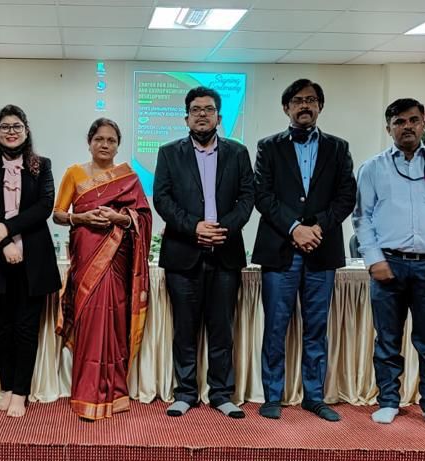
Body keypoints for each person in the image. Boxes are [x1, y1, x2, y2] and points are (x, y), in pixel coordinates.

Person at [352, 98, 425, 430]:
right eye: (399, 122)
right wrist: (373, 259)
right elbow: (362, 218)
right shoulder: (373, 168)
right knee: (387, 339)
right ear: (388, 128)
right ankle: (389, 401)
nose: (407, 127)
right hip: (388, 264)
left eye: (413, 120)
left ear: (423, 124)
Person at [252, 79, 356, 422]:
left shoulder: (338, 148)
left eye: (311, 100)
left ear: (320, 106)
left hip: (322, 249)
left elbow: (346, 197)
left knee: (316, 327)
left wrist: (317, 227)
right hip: (280, 249)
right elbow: (263, 196)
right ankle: (273, 395)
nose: (304, 106)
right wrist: (295, 228)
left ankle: (314, 396)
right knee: (275, 327)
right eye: (297, 100)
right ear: (286, 108)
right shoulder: (268, 147)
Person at [152, 86, 254, 419]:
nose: (202, 115)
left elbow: (247, 198)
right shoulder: (169, 153)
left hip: (225, 252)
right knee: (185, 329)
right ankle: (185, 393)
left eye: (208, 109)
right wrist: (194, 227)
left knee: (222, 328)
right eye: (195, 110)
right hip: (183, 253)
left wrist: (222, 228)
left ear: (218, 117)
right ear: (186, 118)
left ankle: (221, 394)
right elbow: (162, 199)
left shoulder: (238, 153)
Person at [52, 118, 152, 421]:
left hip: (117, 257)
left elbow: (143, 216)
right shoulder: (74, 173)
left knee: (114, 319)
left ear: (118, 145)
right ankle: (85, 393)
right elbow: (58, 214)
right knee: (89, 318)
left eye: (111, 140)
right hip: (86, 255)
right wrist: (82, 219)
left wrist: (119, 218)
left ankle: (115, 394)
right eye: (99, 139)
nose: (105, 144)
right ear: (89, 142)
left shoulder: (129, 177)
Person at [0, 104, 61, 418]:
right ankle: (7, 387)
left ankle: (21, 392)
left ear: (26, 130)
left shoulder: (41, 165)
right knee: (1, 327)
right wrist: (5, 243)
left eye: (16, 126)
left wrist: (8, 228)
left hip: (33, 258)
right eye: (5, 126)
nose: (11, 132)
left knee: (25, 327)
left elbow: (45, 206)